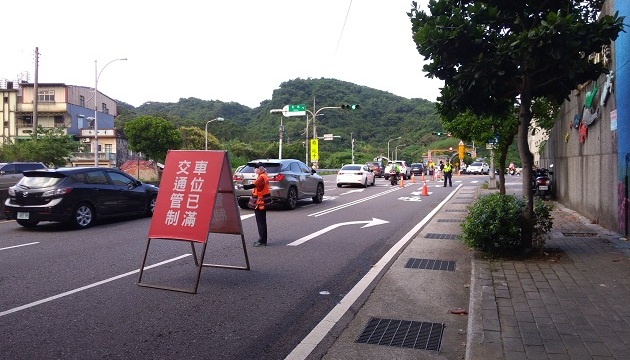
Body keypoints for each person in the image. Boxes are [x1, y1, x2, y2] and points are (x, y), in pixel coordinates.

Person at [242, 162, 271, 246]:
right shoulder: (263, 176)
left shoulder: (261, 177)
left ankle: (262, 240)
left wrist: (242, 186)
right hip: (261, 202)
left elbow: (253, 185)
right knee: (262, 221)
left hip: (260, 203)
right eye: (255, 168)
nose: (255, 169)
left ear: (261, 168)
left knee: (260, 222)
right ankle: (263, 239)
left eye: (256, 168)